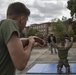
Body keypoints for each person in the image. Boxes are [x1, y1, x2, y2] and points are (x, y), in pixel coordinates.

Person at [0, 2, 44, 75]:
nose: (25, 26)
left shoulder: (3, 27)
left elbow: (16, 43)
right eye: (26, 22)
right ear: (22, 19)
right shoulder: (9, 23)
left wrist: (29, 39)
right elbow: (21, 64)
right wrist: (30, 45)